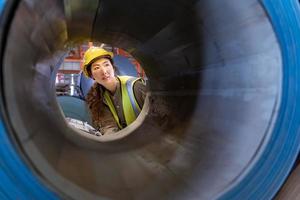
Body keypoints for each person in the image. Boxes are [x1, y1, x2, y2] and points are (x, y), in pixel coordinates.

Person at [83, 47, 146, 135]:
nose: (104, 71)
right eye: (97, 68)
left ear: (113, 67)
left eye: (106, 65)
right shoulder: (99, 97)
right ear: (91, 75)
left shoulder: (135, 86)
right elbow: (109, 127)